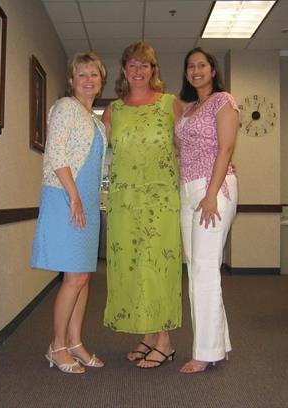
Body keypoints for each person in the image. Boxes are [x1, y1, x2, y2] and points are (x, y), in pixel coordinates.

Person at [102, 41, 183, 369]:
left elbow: (187, 146)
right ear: (124, 70)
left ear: (153, 70)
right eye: (132, 65)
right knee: (132, 267)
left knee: (157, 268)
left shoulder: (169, 105)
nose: (138, 71)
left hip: (161, 201)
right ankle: (148, 336)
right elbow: (96, 153)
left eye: (145, 65)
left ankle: (164, 340)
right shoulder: (113, 111)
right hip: (124, 201)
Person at [31, 52, 107, 374]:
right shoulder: (65, 108)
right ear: (72, 80)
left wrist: (92, 198)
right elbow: (56, 154)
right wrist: (74, 196)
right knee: (73, 277)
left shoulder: (96, 121)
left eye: (94, 74)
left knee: (84, 275)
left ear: (101, 80)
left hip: (88, 202)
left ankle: (76, 342)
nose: (88, 80)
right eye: (82, 74)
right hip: (66, 197)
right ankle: (57, 345)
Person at [175, 47, 239, 373]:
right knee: (199, 268)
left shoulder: (223, 101)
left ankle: (206, 351)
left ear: (212, 70)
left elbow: (226, 148)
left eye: (202, 65)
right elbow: (180, 150)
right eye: (191, 66)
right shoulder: (187, 108)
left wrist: (212, 194)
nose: (196, 70)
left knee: (203, 270)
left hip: (213, 188)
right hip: (188, 191)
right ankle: (221, 342)